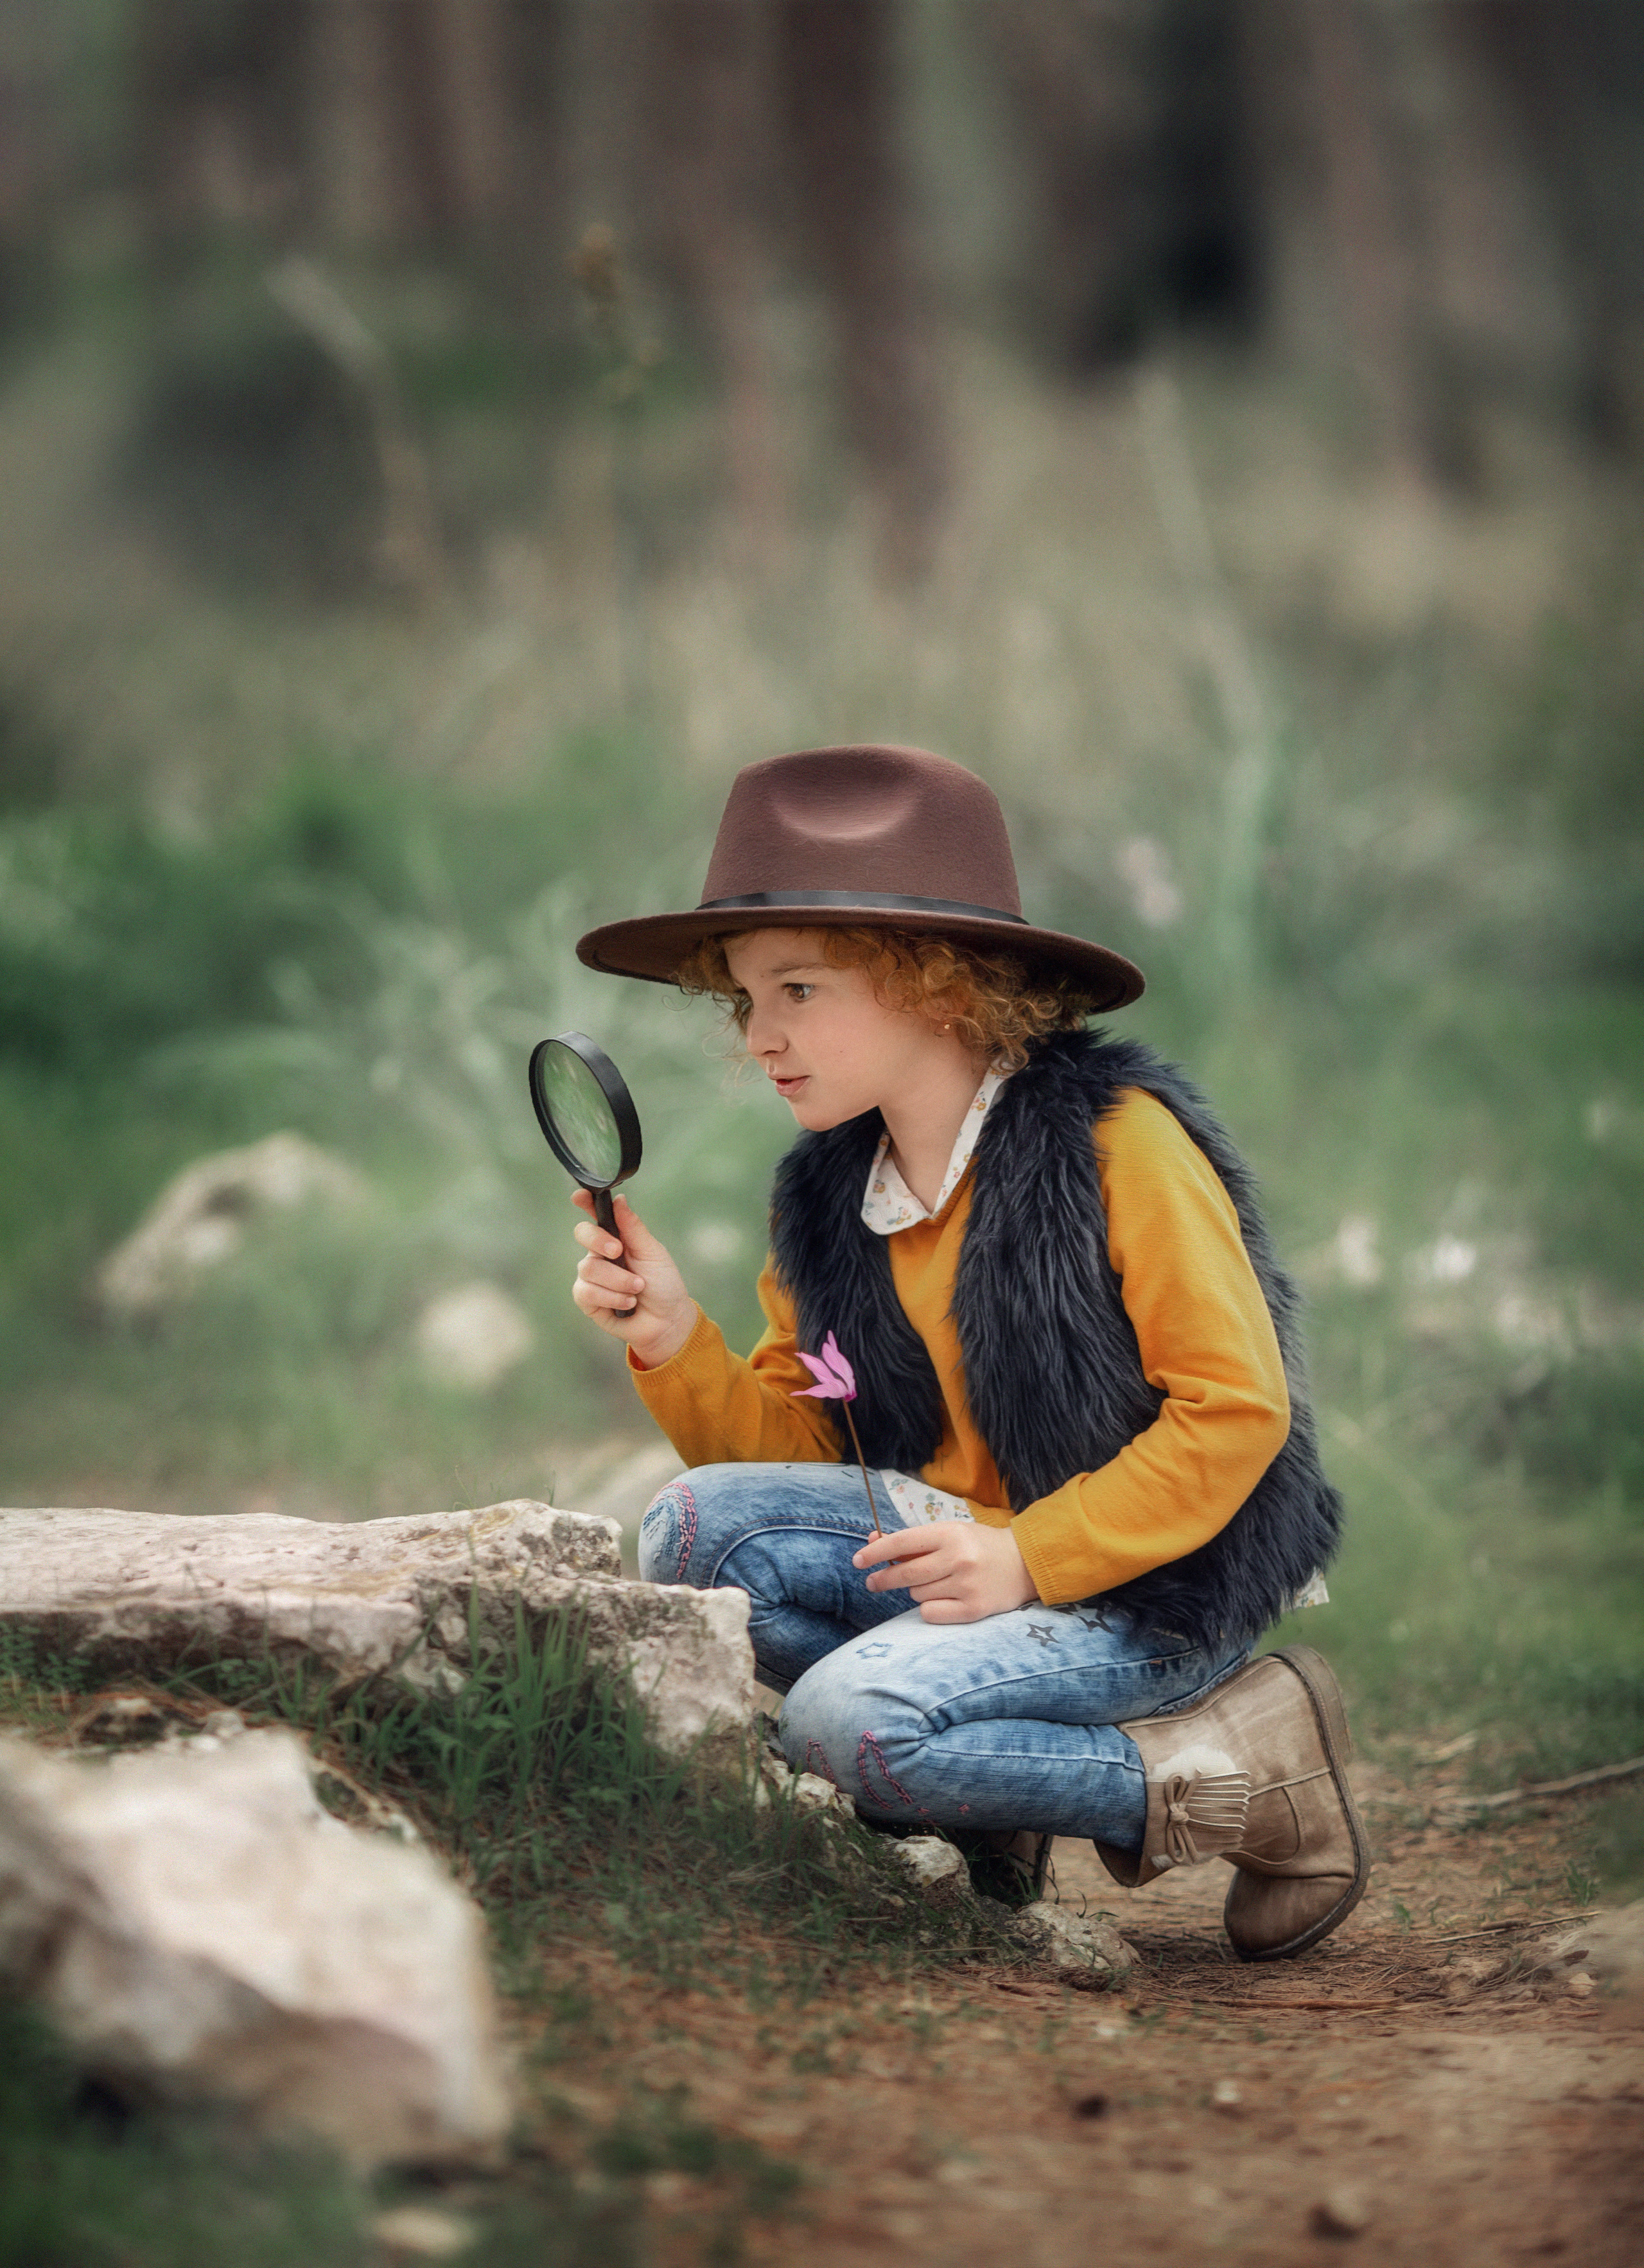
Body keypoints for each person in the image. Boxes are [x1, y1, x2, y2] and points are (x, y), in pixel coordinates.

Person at [569, 742, 1368, 1960]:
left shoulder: (1122, 1147)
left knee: (841, 1727)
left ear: (936, 981)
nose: (760, 1038)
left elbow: (1235, 1413)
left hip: (1148, 1584)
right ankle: (984, 1797)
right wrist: (677, 1340)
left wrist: (1028, 1556)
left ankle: (1245, 1772)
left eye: (800, 990)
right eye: (747, 997)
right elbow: (817, 1439)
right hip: (958, 1549)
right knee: (691, 1532)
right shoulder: (834, 1197)